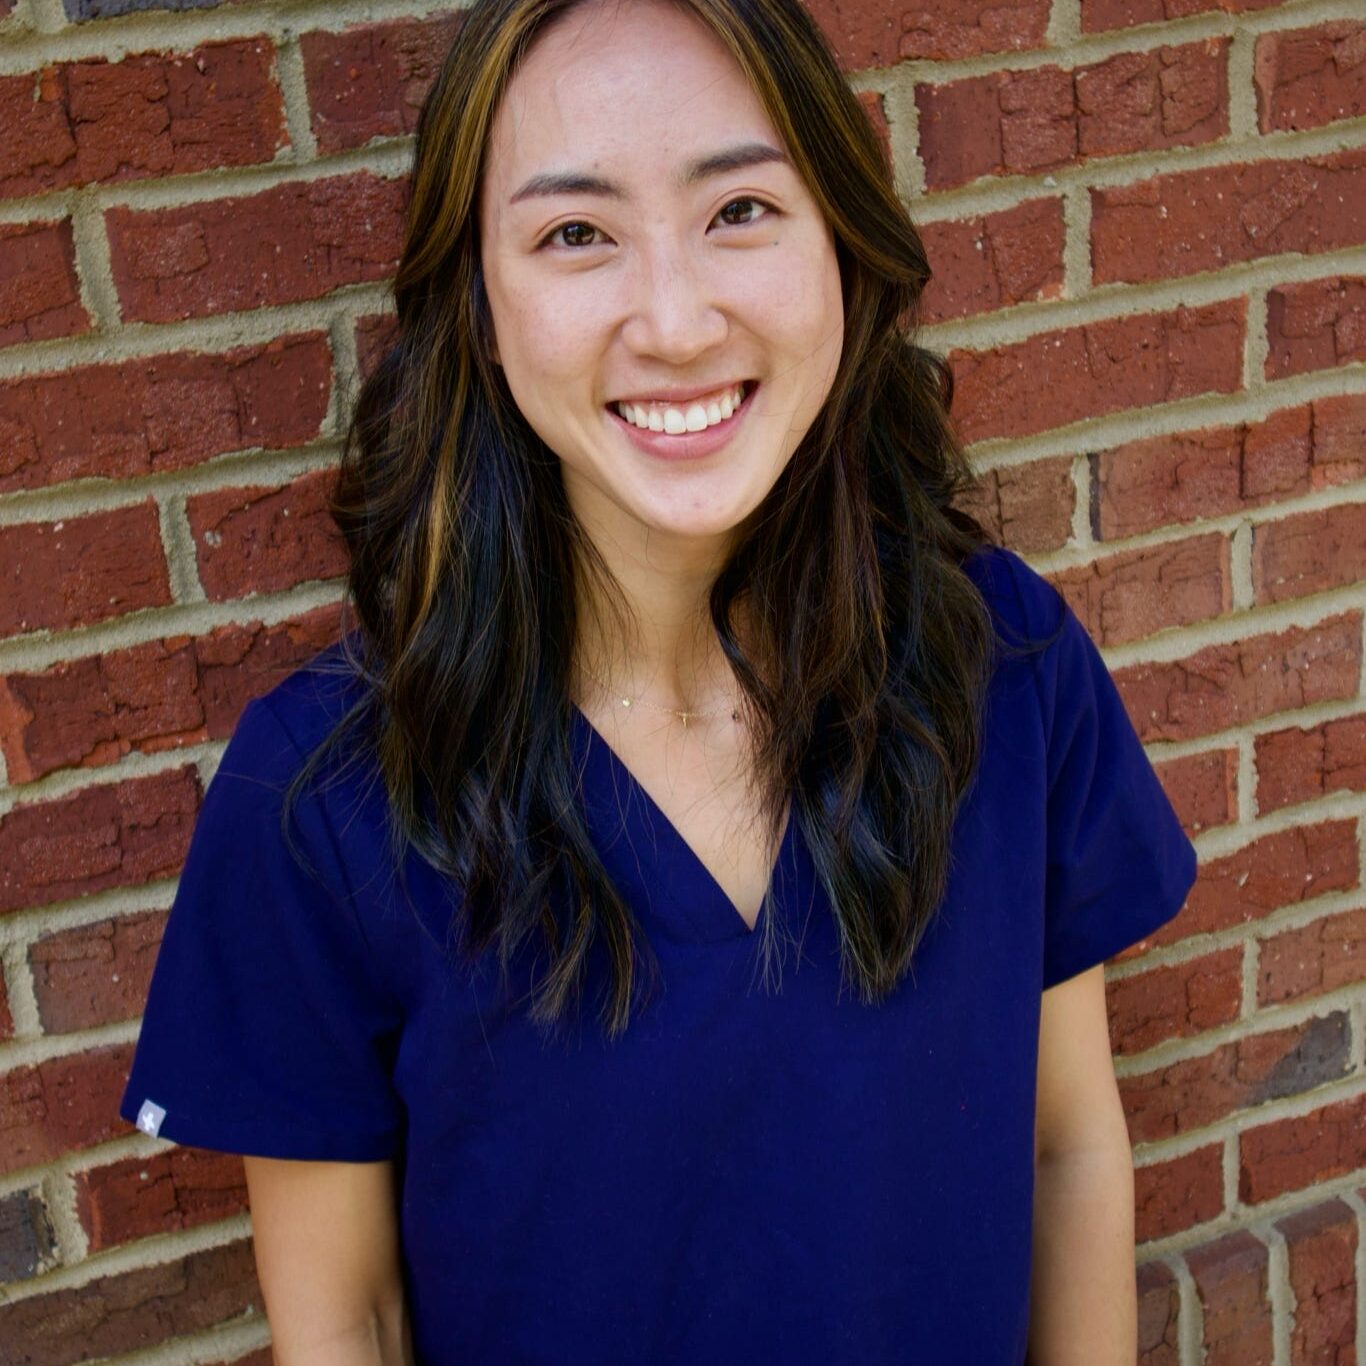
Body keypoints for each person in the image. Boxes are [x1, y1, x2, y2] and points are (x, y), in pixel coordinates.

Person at [119, 0, 1199, 1360]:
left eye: (739, 208)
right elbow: (350, 1313)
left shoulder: (1004, 665)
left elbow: (1062, 1145)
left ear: (841, 251)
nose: (677, 321)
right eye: (575, 233)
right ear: (482, 309)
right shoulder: (325, 794)